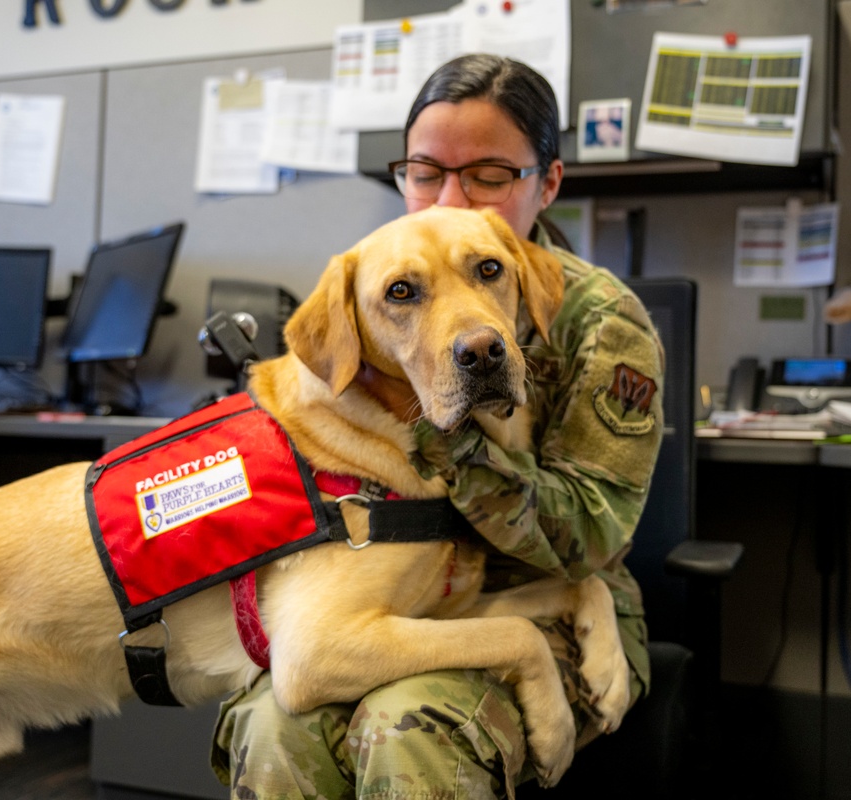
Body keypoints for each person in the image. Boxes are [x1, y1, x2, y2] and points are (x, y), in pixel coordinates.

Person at [211, 53, 664, 799]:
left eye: (489, 174)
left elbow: (592, 535)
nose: (448, 197)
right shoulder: (375, 292)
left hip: (552, 600)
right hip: (394, 603)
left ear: (547, 183)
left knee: (403, 724)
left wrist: (440, 431)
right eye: (426, 172)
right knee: (273, 724)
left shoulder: (603, 320)